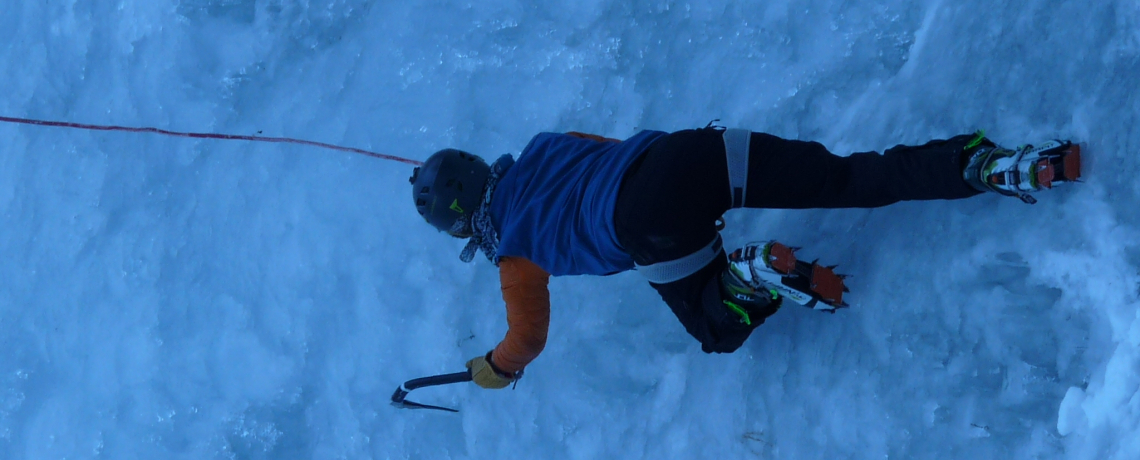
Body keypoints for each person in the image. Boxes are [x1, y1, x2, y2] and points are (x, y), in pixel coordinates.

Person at [408, 125, 1081, 389]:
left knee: (712, 325)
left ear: (460, 227)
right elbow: (608, 148)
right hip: (687, 153)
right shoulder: (546, 143)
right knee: (852, 177)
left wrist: (495, 368)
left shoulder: (515, 260)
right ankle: (999, 166)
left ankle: (751, 275)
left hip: (643, 222)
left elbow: (528, 335)